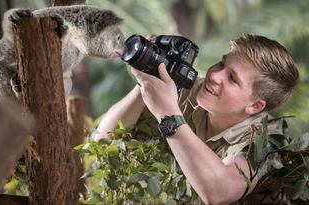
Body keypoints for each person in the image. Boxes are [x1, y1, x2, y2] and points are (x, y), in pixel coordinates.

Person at [92, 34, 299, 204]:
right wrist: (146, 83)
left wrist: (168, 113)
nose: (215, 75)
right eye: (221, 64)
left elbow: (219, 192)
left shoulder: (268, 139)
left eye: (232, 79)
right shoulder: (188, 90)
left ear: (254, 106)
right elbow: (102, 139)